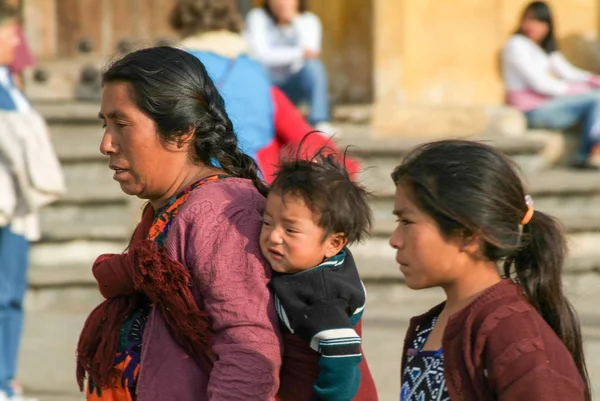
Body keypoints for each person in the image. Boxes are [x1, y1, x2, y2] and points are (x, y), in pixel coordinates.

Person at [76, 46, 282, 400]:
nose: (106, 144)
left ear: (182, 131)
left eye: (121, 124)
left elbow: (249, 350)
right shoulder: (168, 210)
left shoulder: (220, 212)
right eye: (105, 124)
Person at [389, 139, 590, 400]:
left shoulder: (515, 337)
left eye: (407, 221)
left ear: (468, 233)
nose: (394, 239)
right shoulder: (429, 328)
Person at [170, 0, 353, 183]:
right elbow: (292, 127)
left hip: (199, 177)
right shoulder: (251, 65)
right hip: (258, 177)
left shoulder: (177, 65)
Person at [260, 145, 378, 401]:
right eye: (267, 222)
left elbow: (343, 352)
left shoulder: (319, 292)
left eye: (291, 230)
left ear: (333, 243)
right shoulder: (328, 261)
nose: (274, 236)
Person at [0, 2, 64, 400]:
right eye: (8, 34)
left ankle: (6, 375)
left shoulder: (10, 82)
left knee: (10, 293)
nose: (14, 42)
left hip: (17, 203)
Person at [502, 0, 600, 169]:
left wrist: (592, 80)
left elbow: (569, 72)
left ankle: (587, 153)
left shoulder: (543, 49)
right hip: (534, 110)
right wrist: (579, 89)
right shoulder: (516, 45)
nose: (533, 26)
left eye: (539, 21)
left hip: (550, 105)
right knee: (596, 98)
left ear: (548, 26)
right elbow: (541, 84)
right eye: (529, 19)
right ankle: (594, 151)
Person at [245, 0, 334, 134]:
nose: (281, 2)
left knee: (314, 67)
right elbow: (260, 56)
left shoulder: (309, 20)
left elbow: (312, 53)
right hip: (266, 86)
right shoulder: (257, 17)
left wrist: (294, 21)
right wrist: (299, 53)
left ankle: (319, 121)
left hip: (293, 85)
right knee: (253, 69)